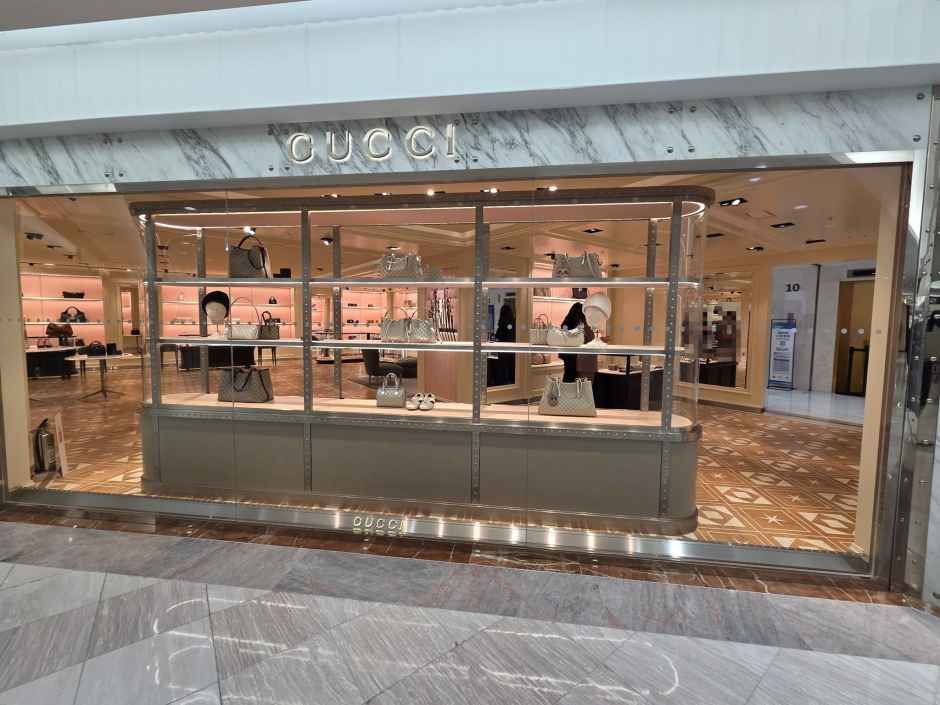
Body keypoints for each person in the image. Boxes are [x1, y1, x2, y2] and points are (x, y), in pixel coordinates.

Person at [559, 302, 597, 382]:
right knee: (579, 384)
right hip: (580, 361)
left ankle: (565, 390)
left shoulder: (567, 325)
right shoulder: (581, 326)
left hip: (569, 358)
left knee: (568, 379)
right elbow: (588, 341)